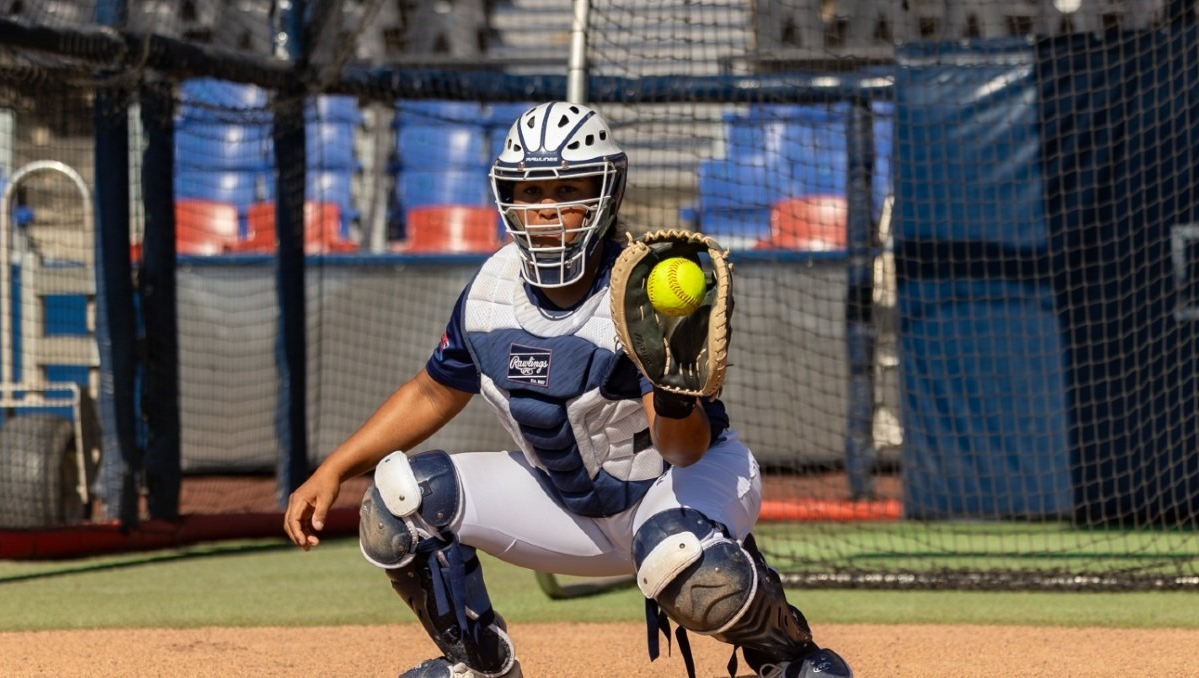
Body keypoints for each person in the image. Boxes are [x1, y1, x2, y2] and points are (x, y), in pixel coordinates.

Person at [283, 101, 853, 678]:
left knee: (679, 554)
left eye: (567, 189)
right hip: (568, 507)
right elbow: (432, 392)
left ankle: (790, 656)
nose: (546, 210)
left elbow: (684, 449)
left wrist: (675, 391)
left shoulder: (642, 291)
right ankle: (478, 664)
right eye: (529, 193)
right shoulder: (491, 290)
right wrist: (332, 470)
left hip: (676, 488)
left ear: (606, 192)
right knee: (399, 500)